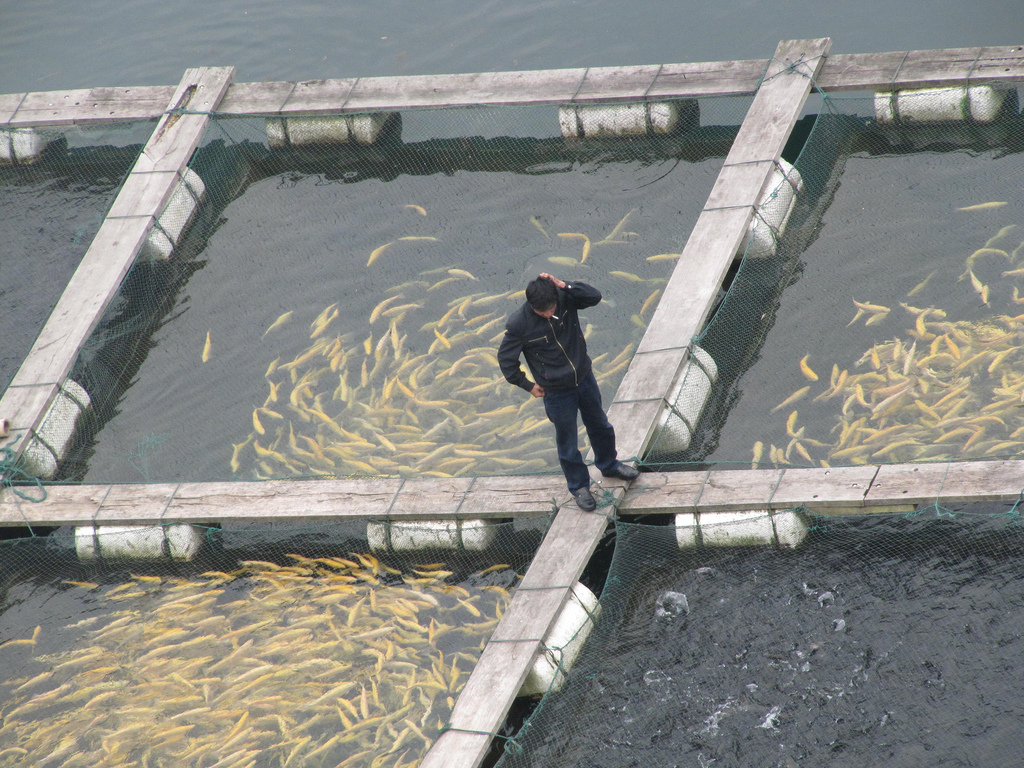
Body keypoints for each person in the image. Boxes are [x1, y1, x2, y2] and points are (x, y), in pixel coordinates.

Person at [497, 273, 639, 511]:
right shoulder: (518, 324)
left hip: (584, 377)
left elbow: (594, 297)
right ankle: (579, 487)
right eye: (541, 312)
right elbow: (506, 361)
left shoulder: (565, 297)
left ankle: (609, 465)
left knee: (601, 425)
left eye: (550, 308)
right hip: (556, 392)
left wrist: (565, 285)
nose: (547, 314)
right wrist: (528, 385)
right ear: (531, 306)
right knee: (568, 441)